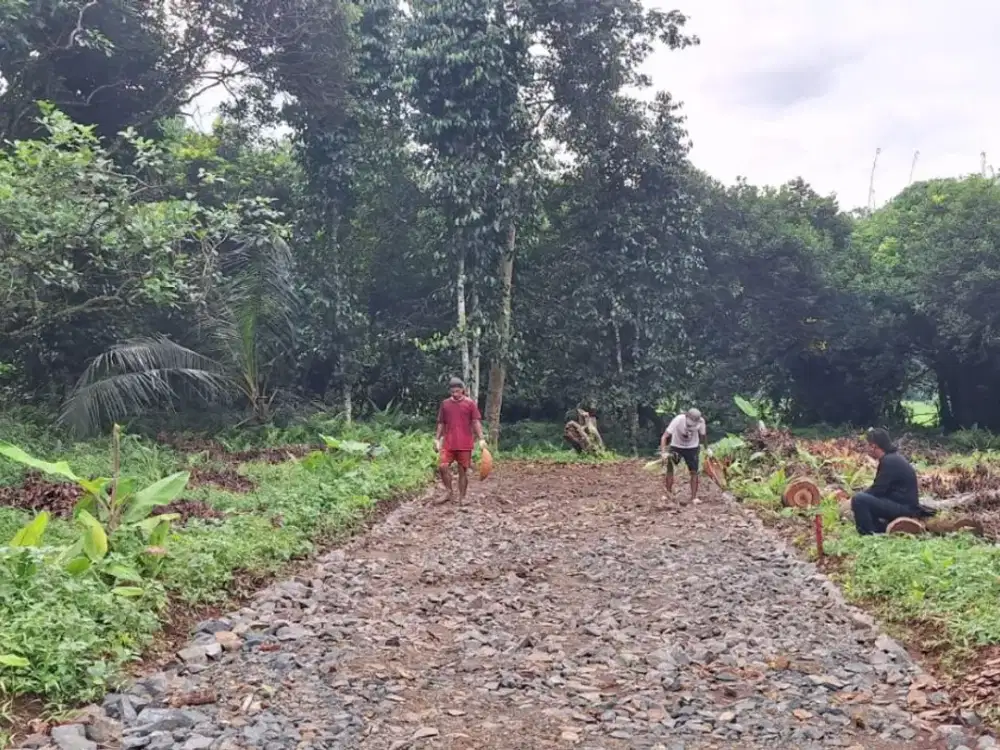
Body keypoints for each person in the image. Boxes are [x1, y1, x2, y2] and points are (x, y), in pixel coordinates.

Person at [851, 428, 932, 534]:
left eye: (868, 445)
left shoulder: (889, 461)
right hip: (901, 504)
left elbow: (877, 490)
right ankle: (880, 528)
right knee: (864, 498)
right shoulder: (892, 458)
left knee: (859, 499)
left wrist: (857, 498)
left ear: (873, 446)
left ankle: (868, 532)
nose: (867, 448)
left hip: (905, 508)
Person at [434, 377, 486, 504]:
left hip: (464, 442)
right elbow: (441, 423)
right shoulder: (445, 404)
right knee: (443, 466)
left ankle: (462, 498)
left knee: (463, 470)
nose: (455, 394)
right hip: (449, 442)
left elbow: (475, 422)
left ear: (462, 390)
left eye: (457, 391)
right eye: (452, 392)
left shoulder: (469, 404)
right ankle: (449, 492)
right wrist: (437, 439)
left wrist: (481, 439)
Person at [659, 408, 709, 504]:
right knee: (670, 470)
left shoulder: (701, 422)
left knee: (694, 472)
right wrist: (663, 452)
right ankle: (667, 494)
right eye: (690, 424)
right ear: (686, 417)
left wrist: (707, 449)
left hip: (692, 447)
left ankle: (694, 497)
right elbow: (664, 437)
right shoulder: (678, 420)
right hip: (676, 446)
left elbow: (703, 436)